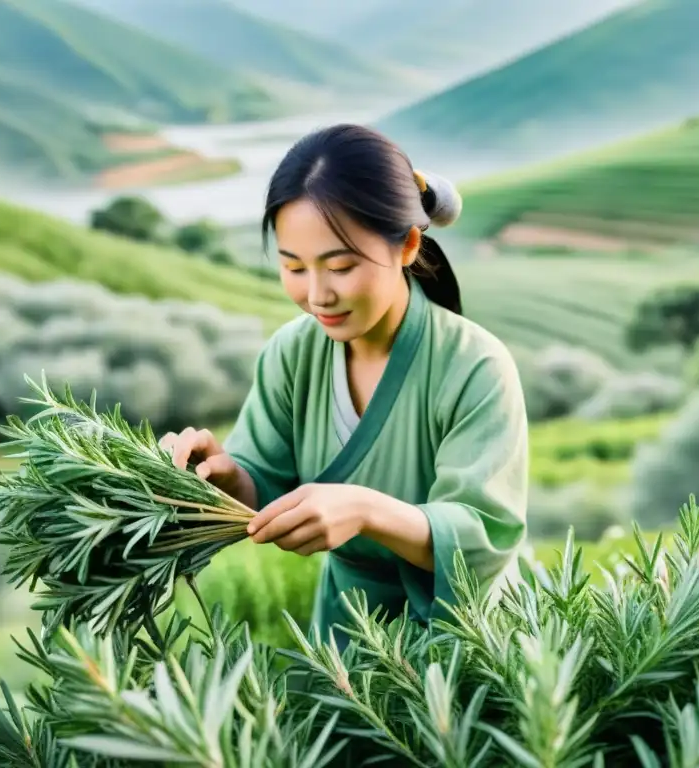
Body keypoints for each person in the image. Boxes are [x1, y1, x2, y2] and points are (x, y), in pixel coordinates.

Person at [161, 123, 529, 649]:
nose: (317, 295)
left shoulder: (476, 366)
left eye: (340, 266)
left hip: (470, 640)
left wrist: (367, 511)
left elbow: (484, 536)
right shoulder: (292, 354)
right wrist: (219, 478)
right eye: (294, 268)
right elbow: (262, 483)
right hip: (347, 638)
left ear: (407, 245)